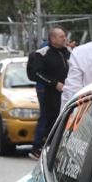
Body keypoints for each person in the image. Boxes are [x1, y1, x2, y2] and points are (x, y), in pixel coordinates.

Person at [28, 26, 70, 158]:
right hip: (49, 92)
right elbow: (36, 74)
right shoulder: (42, 53)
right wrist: (54, 83)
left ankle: (59, 147)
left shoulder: (68, 52)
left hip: (67, 92)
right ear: (52, 38)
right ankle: (39, 146)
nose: (64, 39)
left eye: (65, 36)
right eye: (61, 36)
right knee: (48, 117)